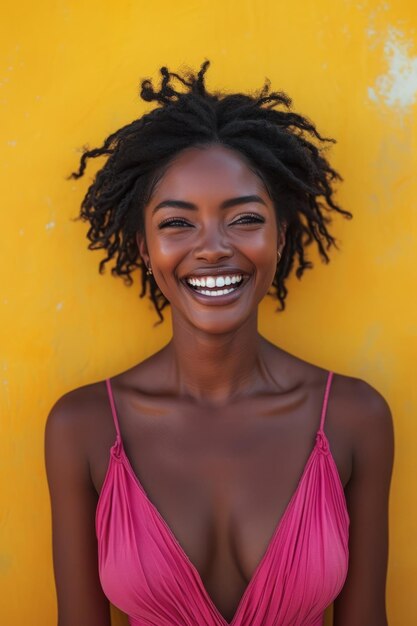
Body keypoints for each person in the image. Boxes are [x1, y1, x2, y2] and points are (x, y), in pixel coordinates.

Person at [45, 61, 394, 626]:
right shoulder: (82, 428)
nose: (212, 249)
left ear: (280, 237)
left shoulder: (356, 418)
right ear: (143, 247)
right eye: (178, 223)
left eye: (244, 219)